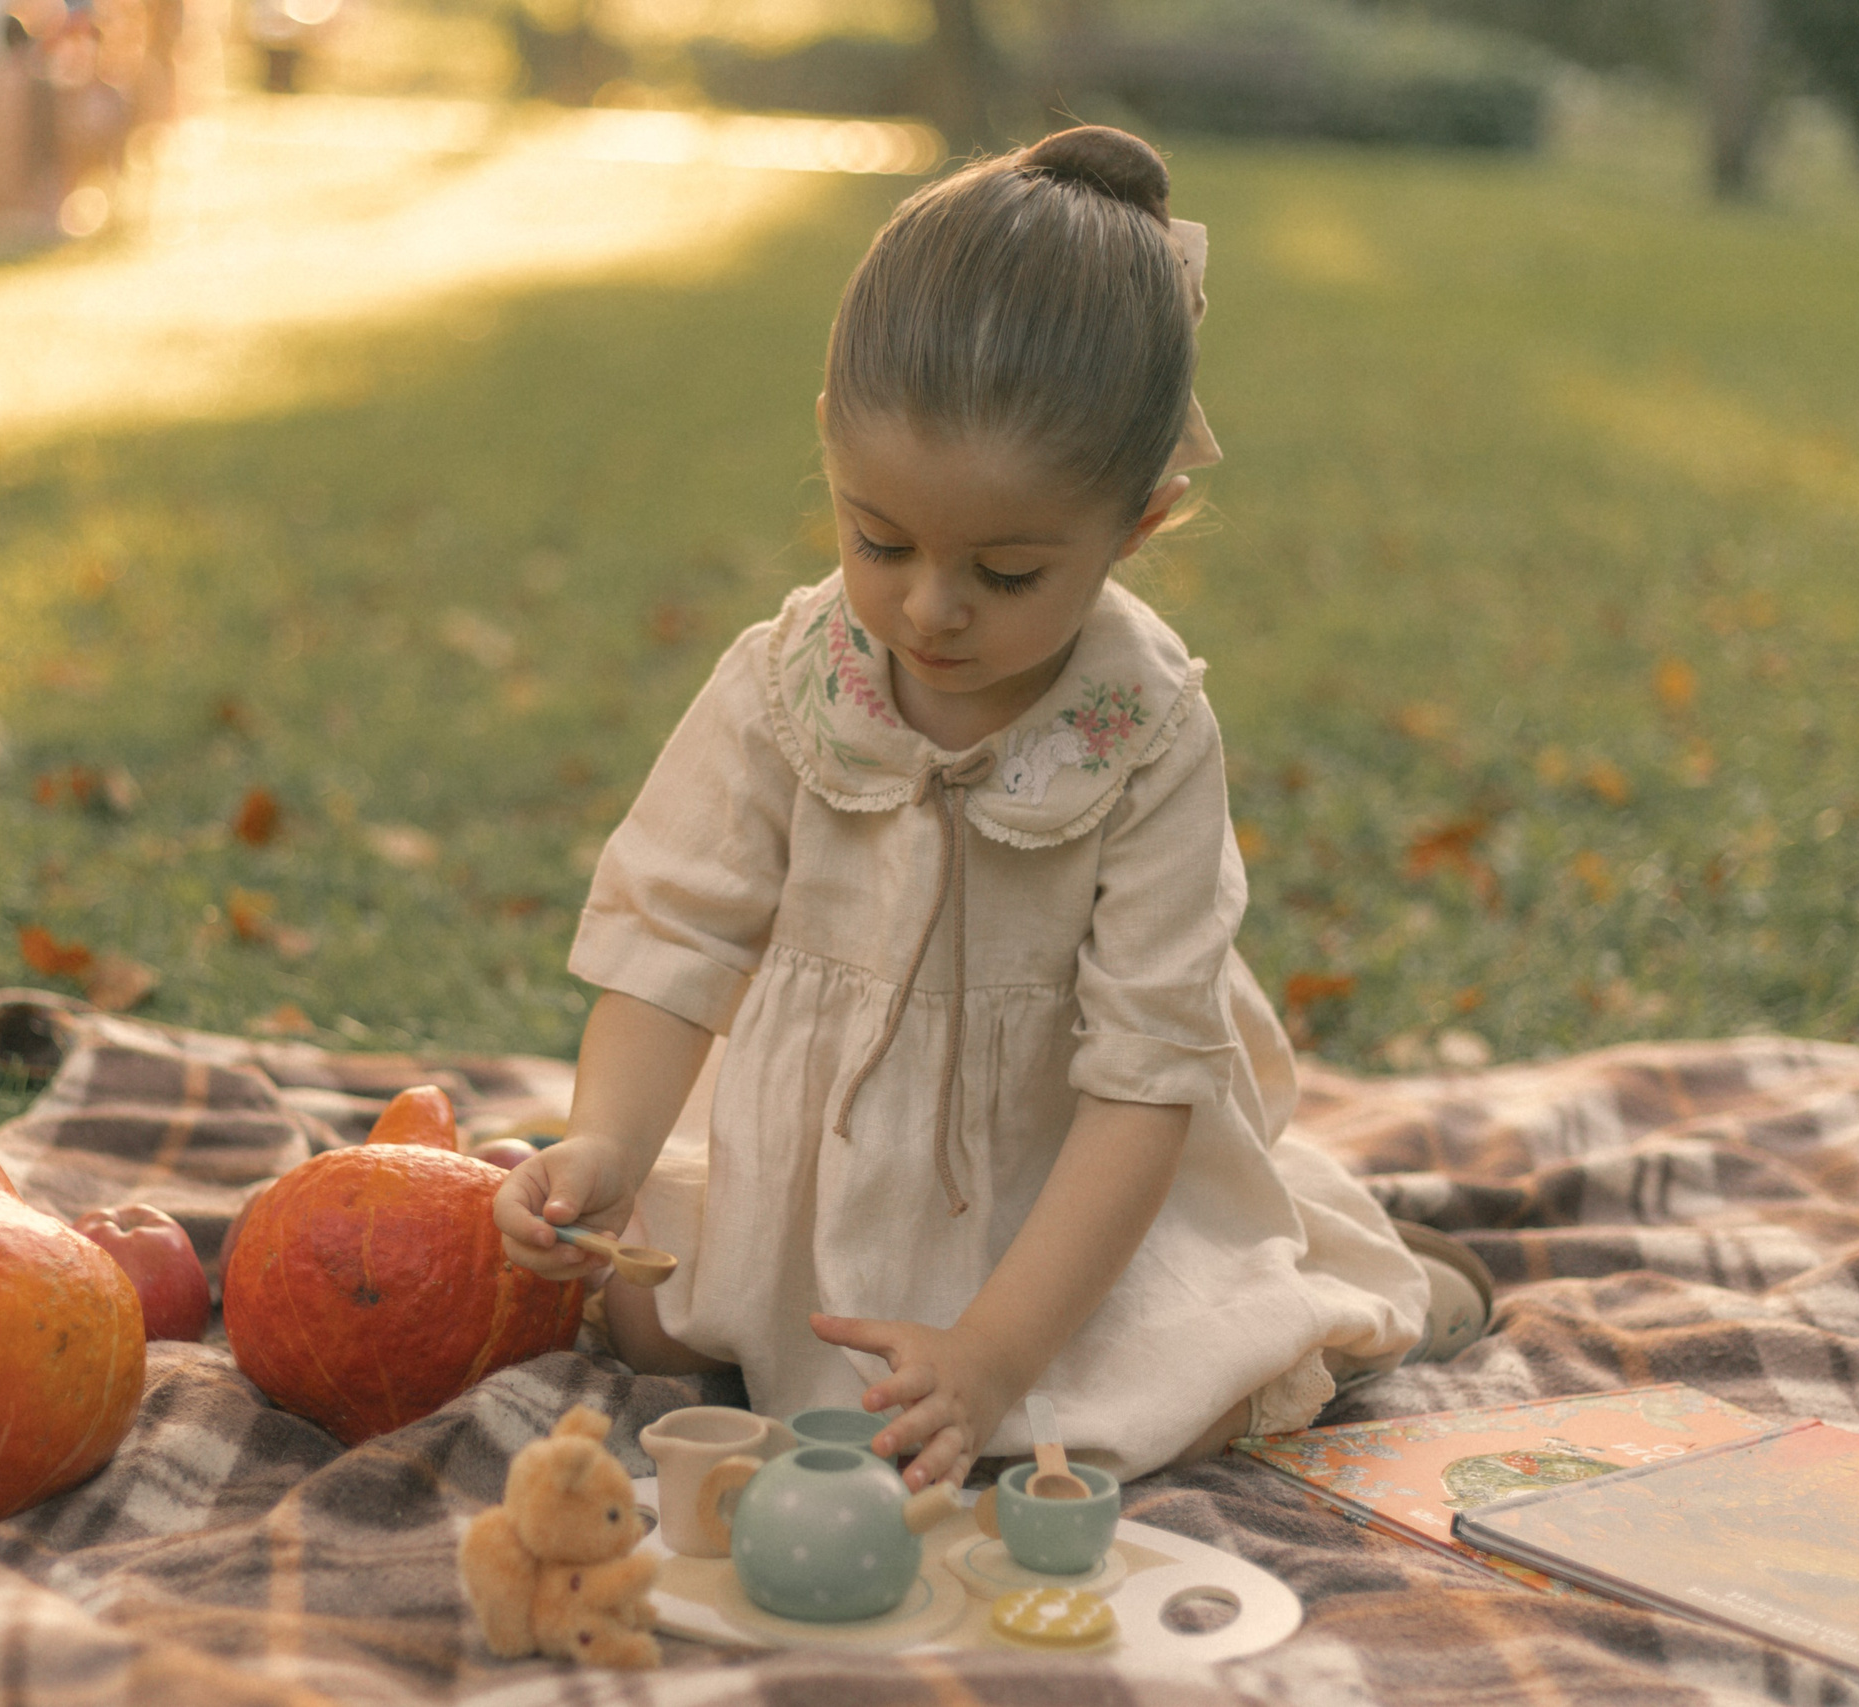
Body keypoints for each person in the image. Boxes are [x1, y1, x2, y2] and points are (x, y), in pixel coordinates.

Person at [494, 125, 1478, 1491]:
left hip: (1057, 1201)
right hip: (821, 1171)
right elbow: (676, 940)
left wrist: (998, 1353)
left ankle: (1387, 1290)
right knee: (647, 1316)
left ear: (1139, 522)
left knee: (1141, 1405)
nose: (929, 608)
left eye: (1008, 574)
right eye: (878, 539)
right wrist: (607, 1140)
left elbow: (1142, 1085)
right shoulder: (791, 682)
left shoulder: (1146, 737)